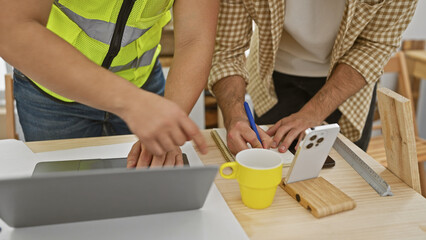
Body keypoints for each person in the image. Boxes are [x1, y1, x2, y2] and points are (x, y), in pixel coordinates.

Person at [0, 0, 219, 167]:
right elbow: (10, 28)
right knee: (66, 203)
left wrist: (170, 117)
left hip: (144, 87)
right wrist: (133, 103)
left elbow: (194, 39)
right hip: (53, 96)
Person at [208, 0, 417, 154]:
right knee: (273, 166)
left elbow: (374, 46)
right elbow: (228, 50)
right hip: (272, 78)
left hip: (350, 85)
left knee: (344, 177)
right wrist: (235, 117)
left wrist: (315, 111)